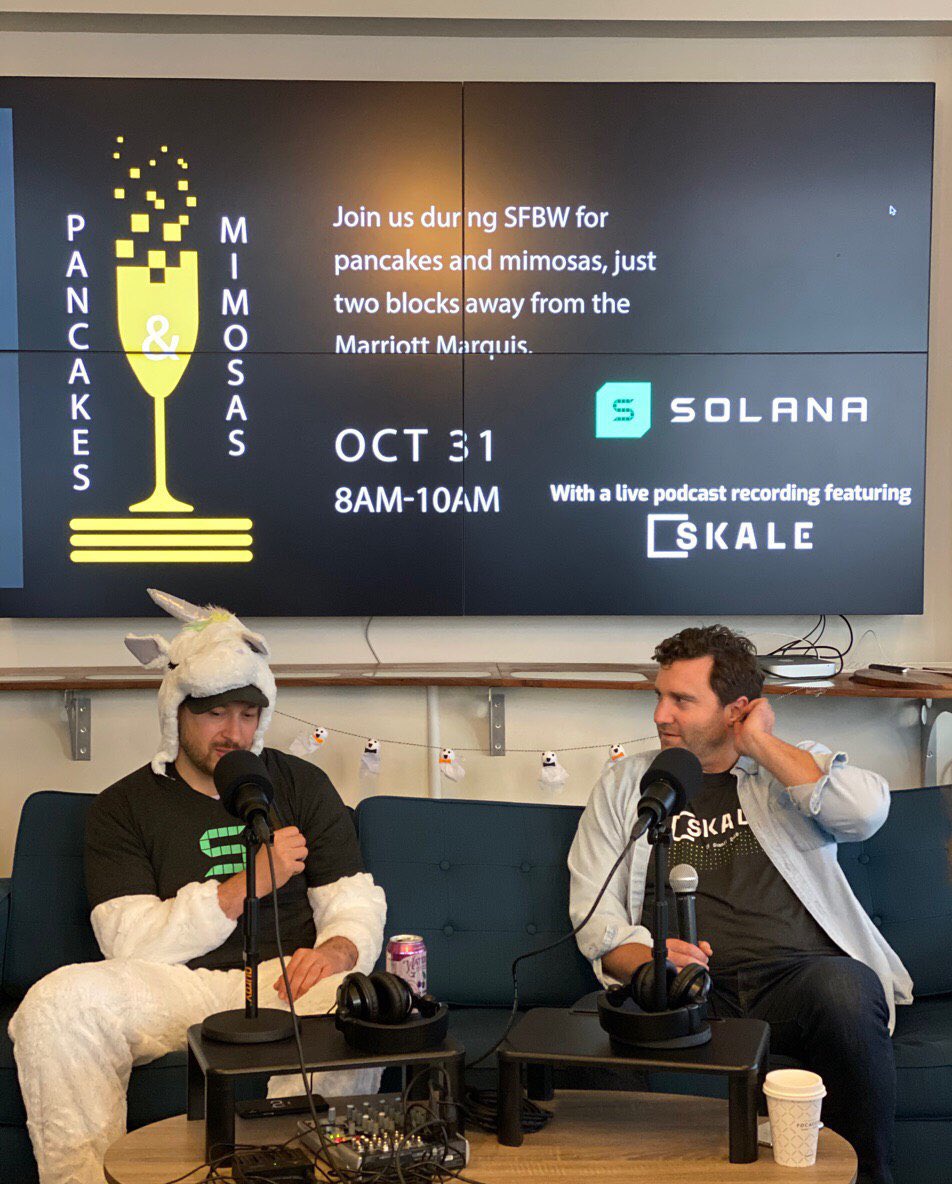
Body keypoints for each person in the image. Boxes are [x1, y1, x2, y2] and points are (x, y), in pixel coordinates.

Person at [9, 589, 387, 1184]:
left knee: (358, 1001)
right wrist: (242, 886)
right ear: (176, 712)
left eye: (248, 714)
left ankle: (292, 1172)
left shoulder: (301, 784)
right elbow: (129, 942)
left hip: (288, 980)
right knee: (56, 1004)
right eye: (215, 713)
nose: (234, 733)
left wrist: (338, 951)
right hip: (177, 985)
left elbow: (352, 897)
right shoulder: (122, 806)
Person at [568, 624, 912, 1184]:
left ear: (737, 710)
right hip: (685, 992)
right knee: (591, 1023)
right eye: (659, 696)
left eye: (682, 700)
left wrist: (760, 745)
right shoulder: (627, 784)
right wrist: (649, 966)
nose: (660, 715)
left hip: (797, 979)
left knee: (848, 988)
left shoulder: (788, 768)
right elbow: (594, 918)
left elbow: (864, 813)